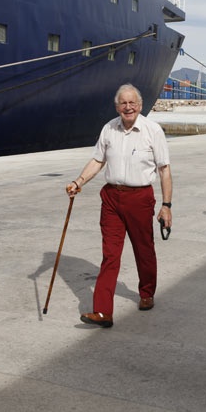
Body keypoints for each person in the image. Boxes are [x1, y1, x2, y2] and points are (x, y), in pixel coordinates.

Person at [66, 84, 172, 328]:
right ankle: (103, 311)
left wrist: (166, 205)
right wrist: (78, 182)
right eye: (123, 103)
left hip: (140, 198)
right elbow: (97, 160)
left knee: (143, 250)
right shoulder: (109, 129)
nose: (128, 107)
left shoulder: (152, 130)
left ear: (140, 105)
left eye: (132, 102)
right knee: (110, 254)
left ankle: (147, 292)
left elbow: (164, 170)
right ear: (117, 107)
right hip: (112, 198)